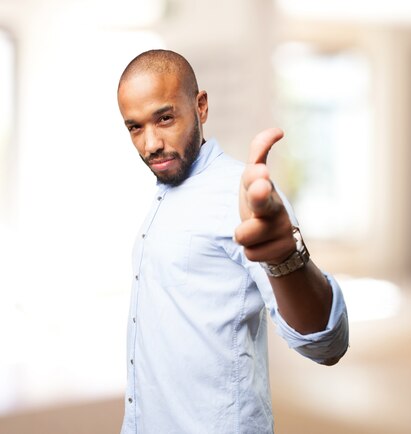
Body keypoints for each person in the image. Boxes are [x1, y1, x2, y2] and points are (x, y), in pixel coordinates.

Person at [116, 49, 349, 433]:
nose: (150, 144)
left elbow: (327, 345)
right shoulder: (163, 197)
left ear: (201, 106)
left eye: (165, 118)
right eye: (135, 127)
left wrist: (286, 260)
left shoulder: (240, 196)